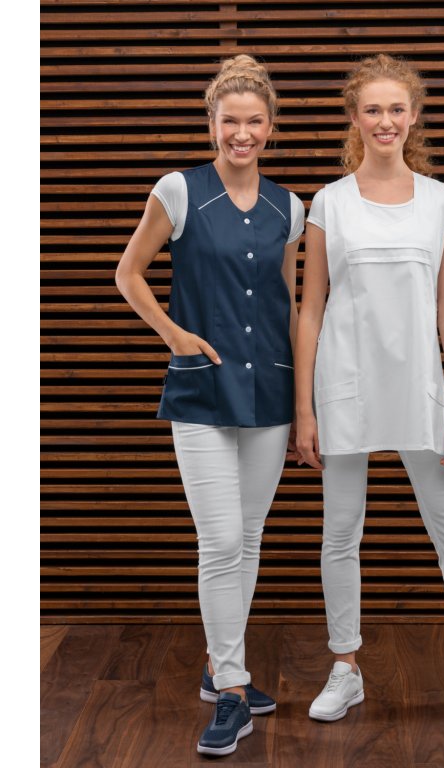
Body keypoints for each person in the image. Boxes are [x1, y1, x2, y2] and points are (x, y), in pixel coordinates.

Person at [293, 54, 444, 725]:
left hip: (419, 387)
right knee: (340, 533)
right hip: (344, 385)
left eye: (396, 109)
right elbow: (309, 311)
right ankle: (345, 667)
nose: (385, 121)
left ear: (414, 116)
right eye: (372, 109)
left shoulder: (439, 200)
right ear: (354, 117)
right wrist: (303, 409)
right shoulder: (330, 203)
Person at [115, 54, 304, 756]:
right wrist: (174, 335)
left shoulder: (291, 207)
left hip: (271, 391)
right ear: (212, 123)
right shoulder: (179, 190)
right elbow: (128, 272)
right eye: (231, 121)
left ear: (271, 126)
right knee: (221, 540)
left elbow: (289, 303)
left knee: (247, 538)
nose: (242, 134)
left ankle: (219, 667)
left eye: (255, 122)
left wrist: (304, 403)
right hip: (200, 388)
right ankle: (231, 688)